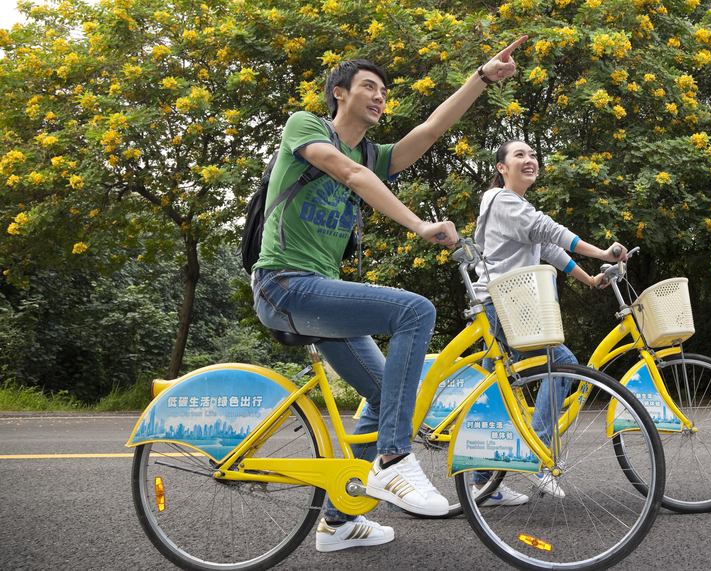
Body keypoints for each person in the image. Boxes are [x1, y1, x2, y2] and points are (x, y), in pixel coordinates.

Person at [251, 37, 526, 552]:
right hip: (284, 283)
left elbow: (430, 130)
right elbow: (349, 174)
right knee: (414, 310)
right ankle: (393, 460)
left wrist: (483, 78)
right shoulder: (305, 126)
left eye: (384, 91)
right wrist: (420, 225)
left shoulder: (373, 153)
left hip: (320, 292)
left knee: (384, 394)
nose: (380, 97)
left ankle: (337, 523)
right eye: (369, 87)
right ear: (340, 93)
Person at [470, 139, 627, 506]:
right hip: (502, 304)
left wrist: (589, 278)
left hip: (502, 304)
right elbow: (551, 231)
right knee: (564, 363)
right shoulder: (502, 201)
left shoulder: (516, 205)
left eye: (533, 155)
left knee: (492, 391)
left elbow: (549, 249)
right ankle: (536, 451)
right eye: (519, 155)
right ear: (501, 168)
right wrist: (603, 252)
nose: (529, 160)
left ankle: (482, 484)